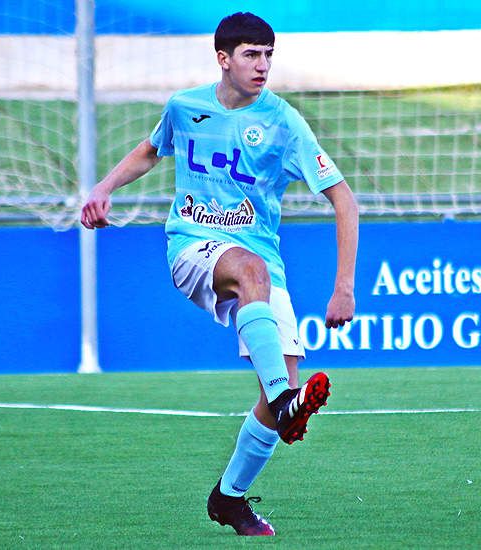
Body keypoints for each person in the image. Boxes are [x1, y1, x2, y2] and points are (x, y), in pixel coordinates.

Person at [80, 12, 359, 537]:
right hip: (192, 246)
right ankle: (284, 401)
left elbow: (344, 199)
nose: (262, 66)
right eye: (252, 55)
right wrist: (103, 187)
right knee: (283, 388)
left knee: (283, 384)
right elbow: (149, 149)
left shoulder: (284, 122)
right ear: (223, 59)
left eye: (269, 55)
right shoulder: (185, 108)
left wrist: (343, 285)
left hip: (261, 264)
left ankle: (229, 498)